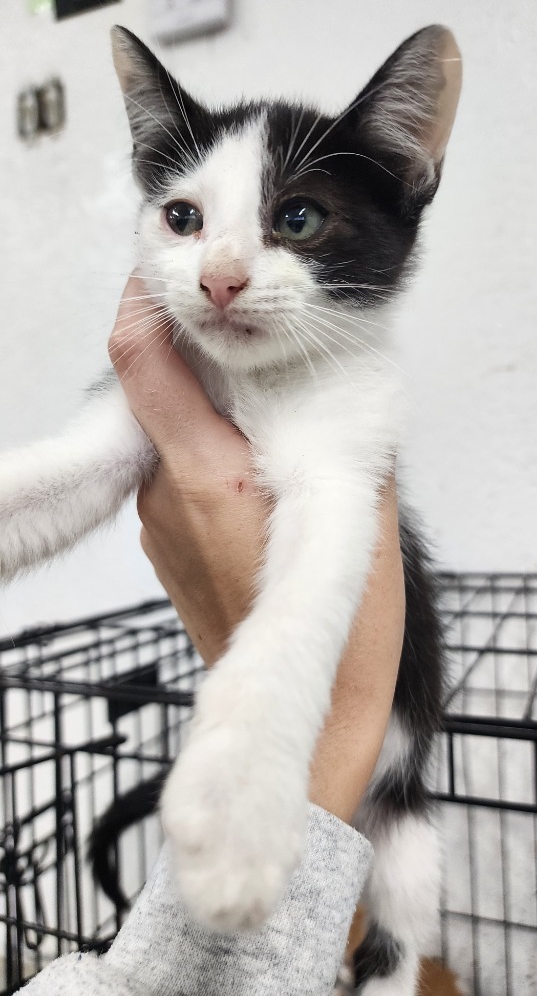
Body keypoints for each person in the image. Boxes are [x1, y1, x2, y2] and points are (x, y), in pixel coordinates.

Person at [19, 276, 405, 996]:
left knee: (405, 878)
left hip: (380, 719)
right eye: (183, 218)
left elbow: (324, 524)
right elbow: (68, 478)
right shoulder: (184, 349)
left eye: (297, 218)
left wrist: (269, 760)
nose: (221, 274)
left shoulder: (343, 381)